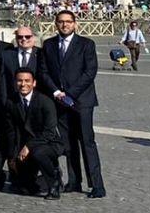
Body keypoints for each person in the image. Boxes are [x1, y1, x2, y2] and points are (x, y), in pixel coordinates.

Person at [40, 10, 105, 198]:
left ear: (75, 24)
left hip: (82, 101)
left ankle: (97, 185)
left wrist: (70, 93)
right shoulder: (49, 44)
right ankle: (74, 181)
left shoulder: (86, 44)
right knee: (68, 144)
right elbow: (44, 71)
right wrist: (57, 93)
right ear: (56, 24)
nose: (65, 25)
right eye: (61, 21)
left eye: (68, 21)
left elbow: (90, 71)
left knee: (87, 141)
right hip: (60, 101)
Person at [6, 68, 65, 199]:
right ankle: (51, 175)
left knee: (39, 153)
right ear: (15, 83)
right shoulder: (11, 102)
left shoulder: (45, 102)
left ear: (34, 83)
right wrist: (12, 155)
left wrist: (29, 146)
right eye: (20, 81)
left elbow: (49, 132)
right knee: (25, 188)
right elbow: (11, 131)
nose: (23, 84)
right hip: (24, 146)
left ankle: (54, 184)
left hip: (47, 143)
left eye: (27, 81)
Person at [1, 26, 42, 101]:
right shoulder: (7, 55)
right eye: (20, 37)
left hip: (37, 101)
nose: (24, 39)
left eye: (27, 37)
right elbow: (3, 81)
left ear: (33, 37)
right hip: (13, 101)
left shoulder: (41, 54)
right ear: (16, 39)